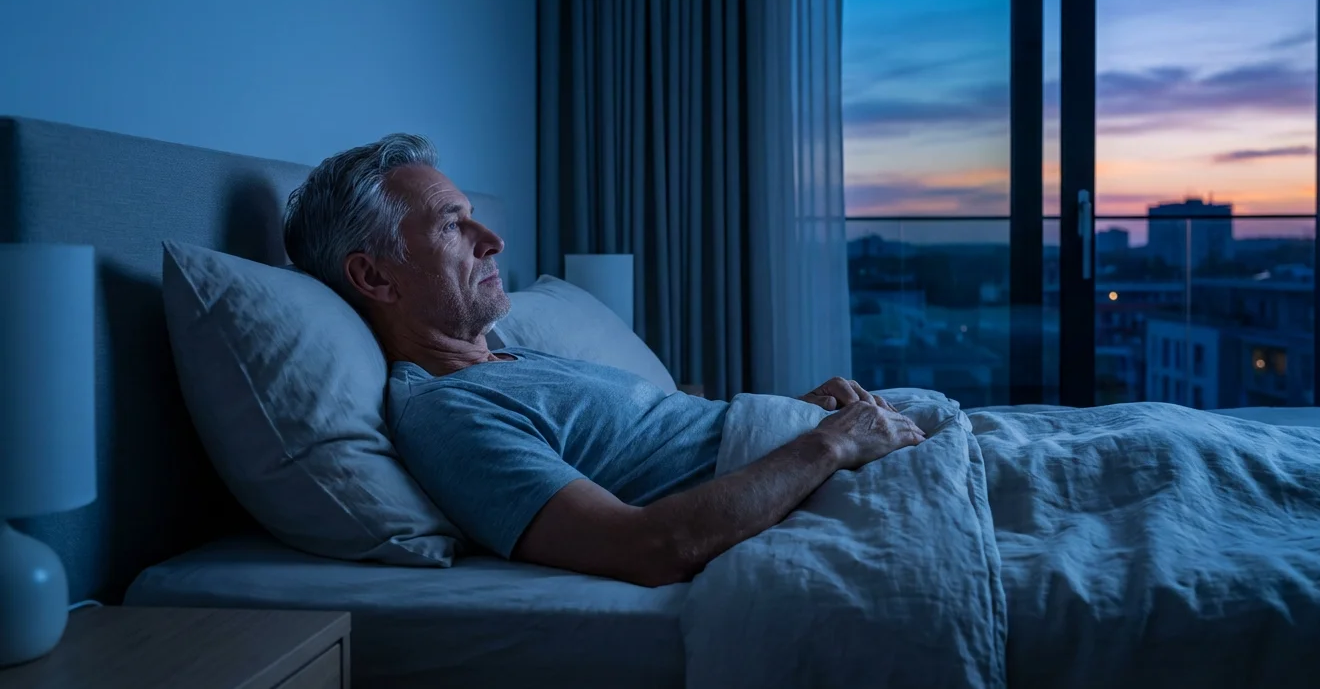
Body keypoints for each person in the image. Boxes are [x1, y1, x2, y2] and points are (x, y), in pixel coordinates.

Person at [284, 134, 925, 586]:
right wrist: (827, 445)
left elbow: (665, 441)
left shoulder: (509, 360)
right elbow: (648, 547)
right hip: (826, 474)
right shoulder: (449, 414)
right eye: (453, 226)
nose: (494, 241)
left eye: (474, 219)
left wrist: (795, 415)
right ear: (374, 277)